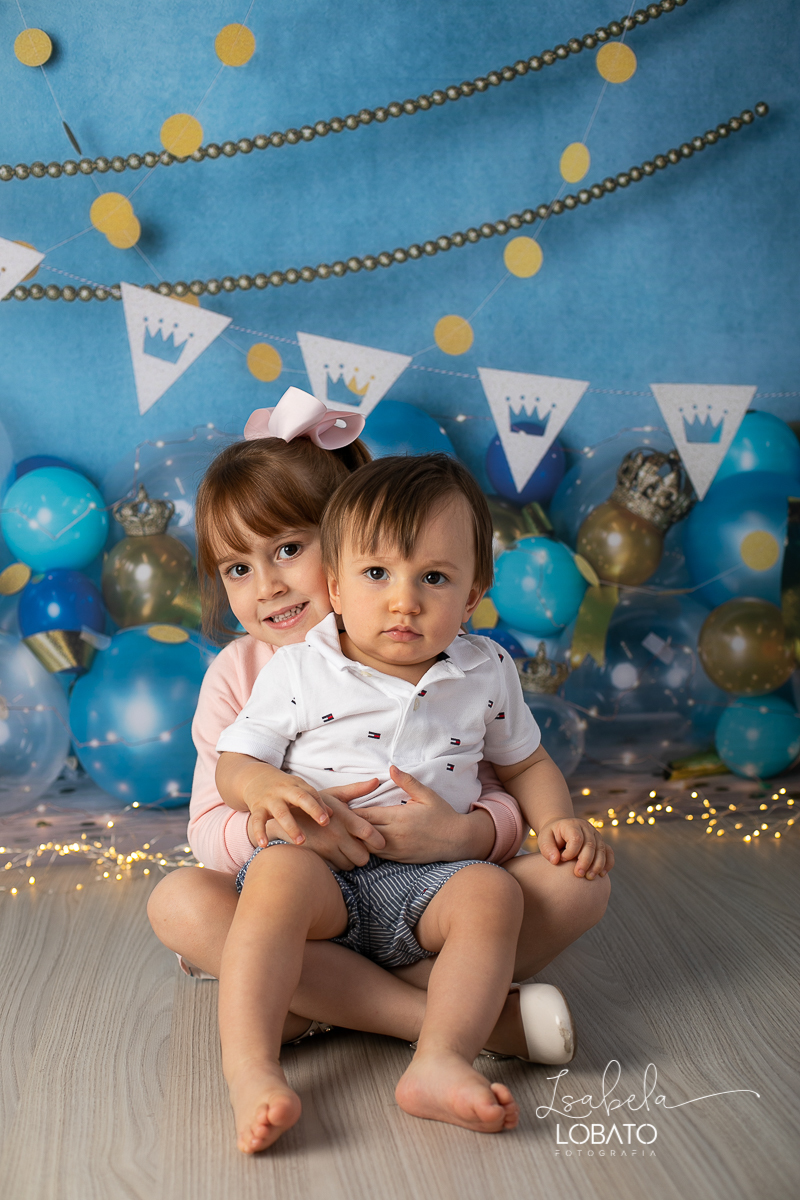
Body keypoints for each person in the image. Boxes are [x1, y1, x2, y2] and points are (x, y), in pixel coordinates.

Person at [145, 388, 612, 1142]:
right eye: (237, 568)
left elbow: (506, 778)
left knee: (560, 884)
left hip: (429, 884)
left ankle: (331, 1005)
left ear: (348, 537)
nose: (265, 586)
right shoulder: (255, 673)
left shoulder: (460, 661)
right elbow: (217, 812)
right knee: (182, 903)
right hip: (308, 890)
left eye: (288, 549)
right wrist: (290, 820)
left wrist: (465, 839)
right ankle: (443, 1024)